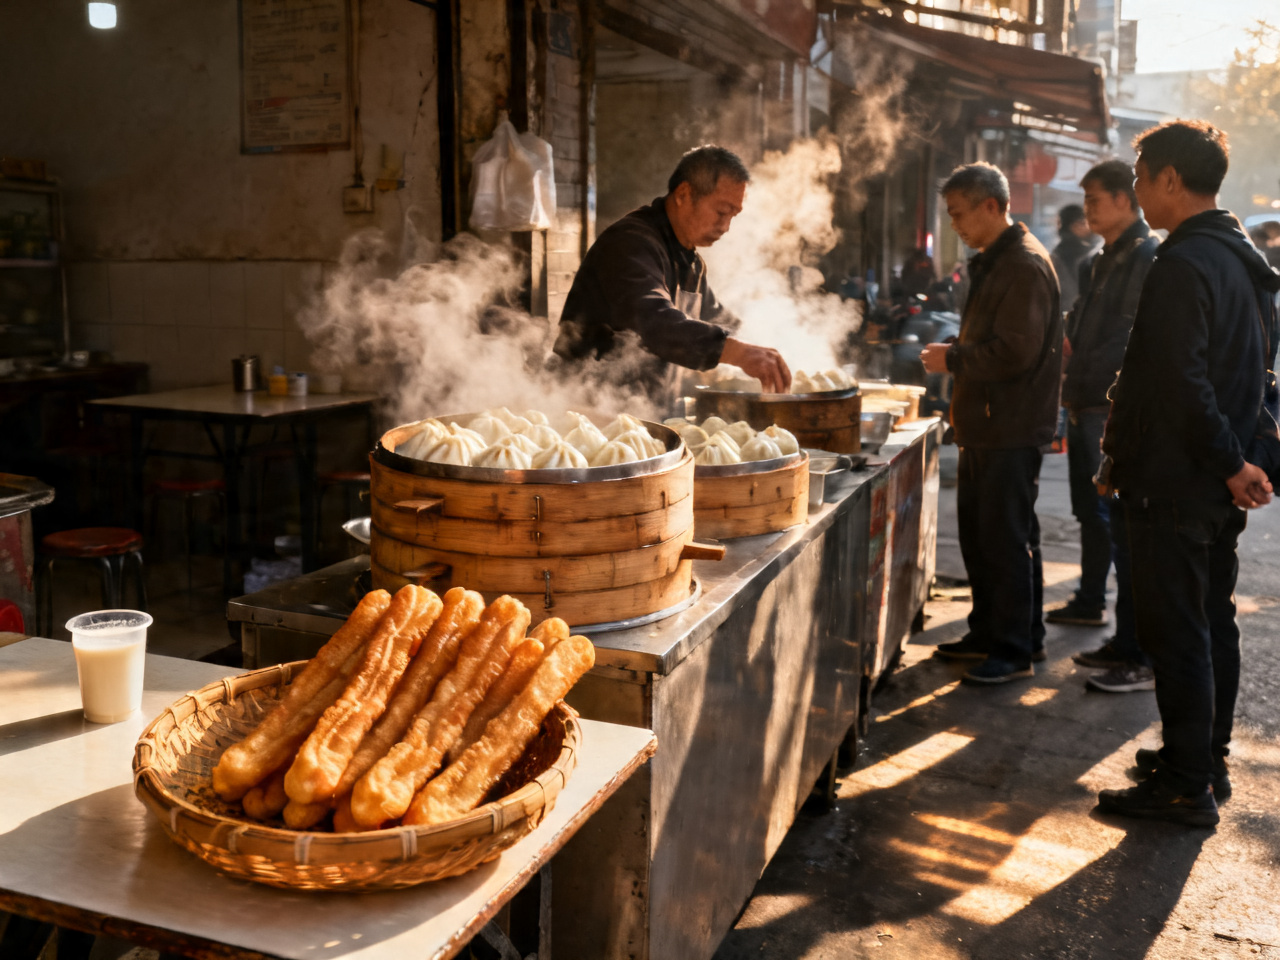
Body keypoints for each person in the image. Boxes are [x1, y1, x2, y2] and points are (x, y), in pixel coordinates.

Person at [1095, 120, 1278, 827]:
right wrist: (1246, 459)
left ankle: (1184, 783)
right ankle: (1205, 756)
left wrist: (1235, 462)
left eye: (1141, 177)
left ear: (1172, 178)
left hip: (1178, 478)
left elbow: (1180, 382)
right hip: (1214, 477)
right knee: (1210, 623)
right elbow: (1263, 377)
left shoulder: (1183, 263)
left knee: (1178, 633)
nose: (1138, 191)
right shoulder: (1245, 258)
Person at [922, 162, 1062, 684]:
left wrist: (953, 360)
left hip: (1009, 425)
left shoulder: (1022, 265)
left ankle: (1013, 649)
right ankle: (996, 632)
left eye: (960, 214)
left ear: (992, 206)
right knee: (990, 537)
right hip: (987, 423)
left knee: (1004, 540)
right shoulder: (996, 260)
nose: (955, 224)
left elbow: (1015, 353)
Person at [552, 145, 790, 404]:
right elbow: (652, 319)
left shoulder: (691, 262)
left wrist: (763, 350)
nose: (726, 227)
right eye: (721, 212)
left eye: (733, 215)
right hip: (588, 411)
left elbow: (718, 319)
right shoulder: (631, 243)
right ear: (684, 194)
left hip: (647, 414)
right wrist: (737, 353)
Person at [1046, 160, 1161, 695]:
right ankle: (1102, 615)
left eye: (1095, 198)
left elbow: (1137, 340)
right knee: (1096, 515)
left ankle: (1138, 649)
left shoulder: (1146, 256)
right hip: (1085, 400)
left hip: (1110, 409)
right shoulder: (1101, 259)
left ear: (1124, 200)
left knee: (1124, 528)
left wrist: (1116, 403)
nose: (1088, 208)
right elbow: (1086, 327)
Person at [1049, 203, 1097, 311]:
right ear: (1073, 226)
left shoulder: (1054, 257)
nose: (1090, 228)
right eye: (1084, 223)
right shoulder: (1088, 256)